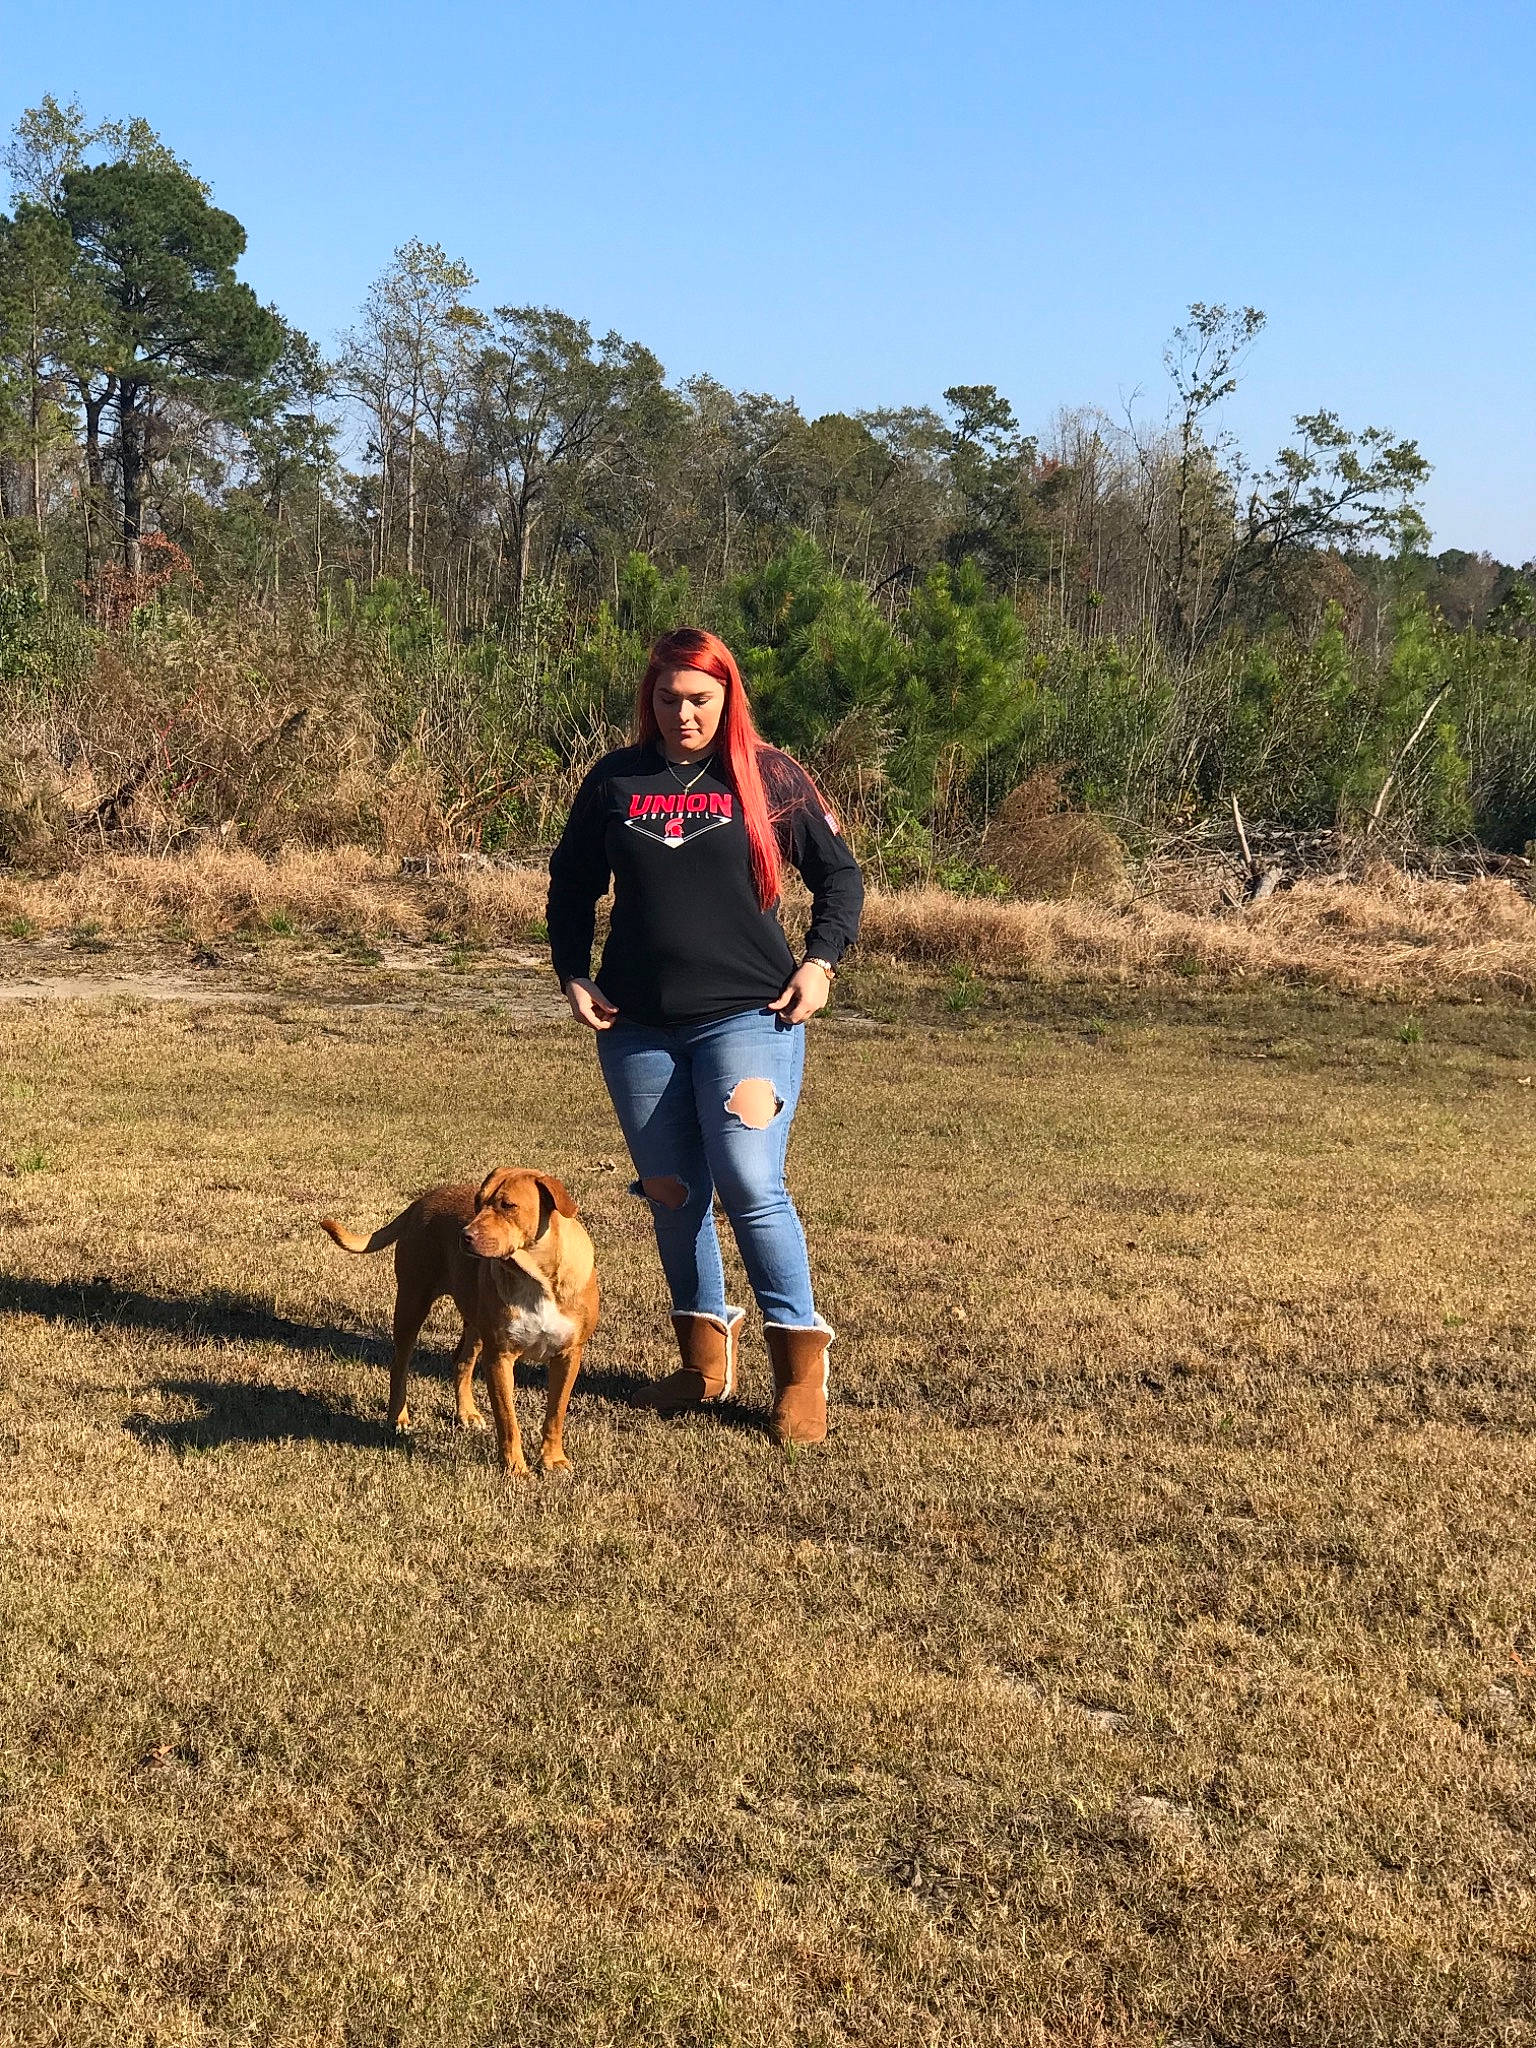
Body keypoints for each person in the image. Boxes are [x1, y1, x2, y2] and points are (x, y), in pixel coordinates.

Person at [547, 627, 863, 1445]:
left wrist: (821, 964)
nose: (683, 715)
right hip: (636, 1025)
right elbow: (571, 884)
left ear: (727, 698)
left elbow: (840, 878)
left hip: (751, 1017)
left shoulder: (770, 775)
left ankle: (799, 1371)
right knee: (673, 1193)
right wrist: (572, 973)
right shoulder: (615, 779)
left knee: (751, 1181)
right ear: (647, 700)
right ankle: (702, 1366)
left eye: (699, 700)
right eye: (667, 699)